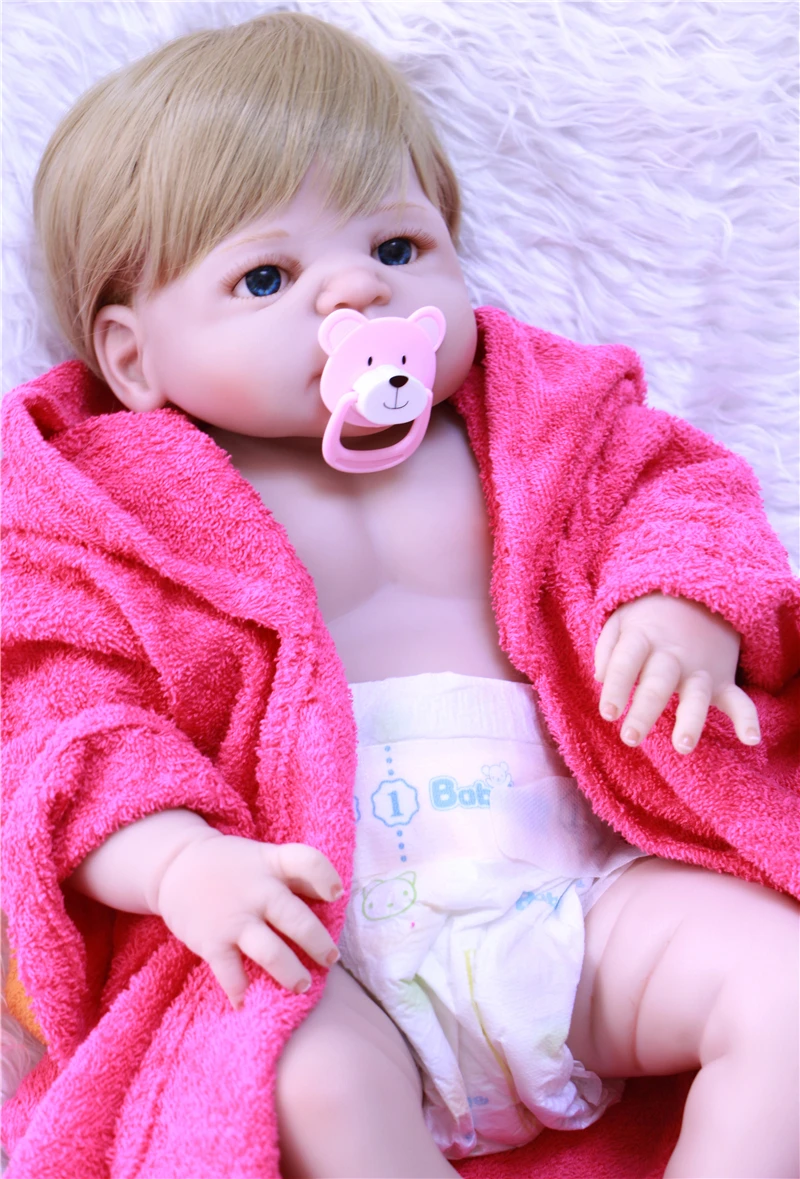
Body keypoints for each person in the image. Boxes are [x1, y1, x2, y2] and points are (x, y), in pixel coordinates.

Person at [2, 12, 798, 1179]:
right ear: (134, 358)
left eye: (396, 247)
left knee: (779, 978)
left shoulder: (540, 417)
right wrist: (176, 864)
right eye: (266, 277)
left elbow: (674, 492)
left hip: (576, 906)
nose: (356, 296)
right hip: (326, 955)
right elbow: (63, 726)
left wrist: (678, 602)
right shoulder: (110, 513)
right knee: (304, 1080)